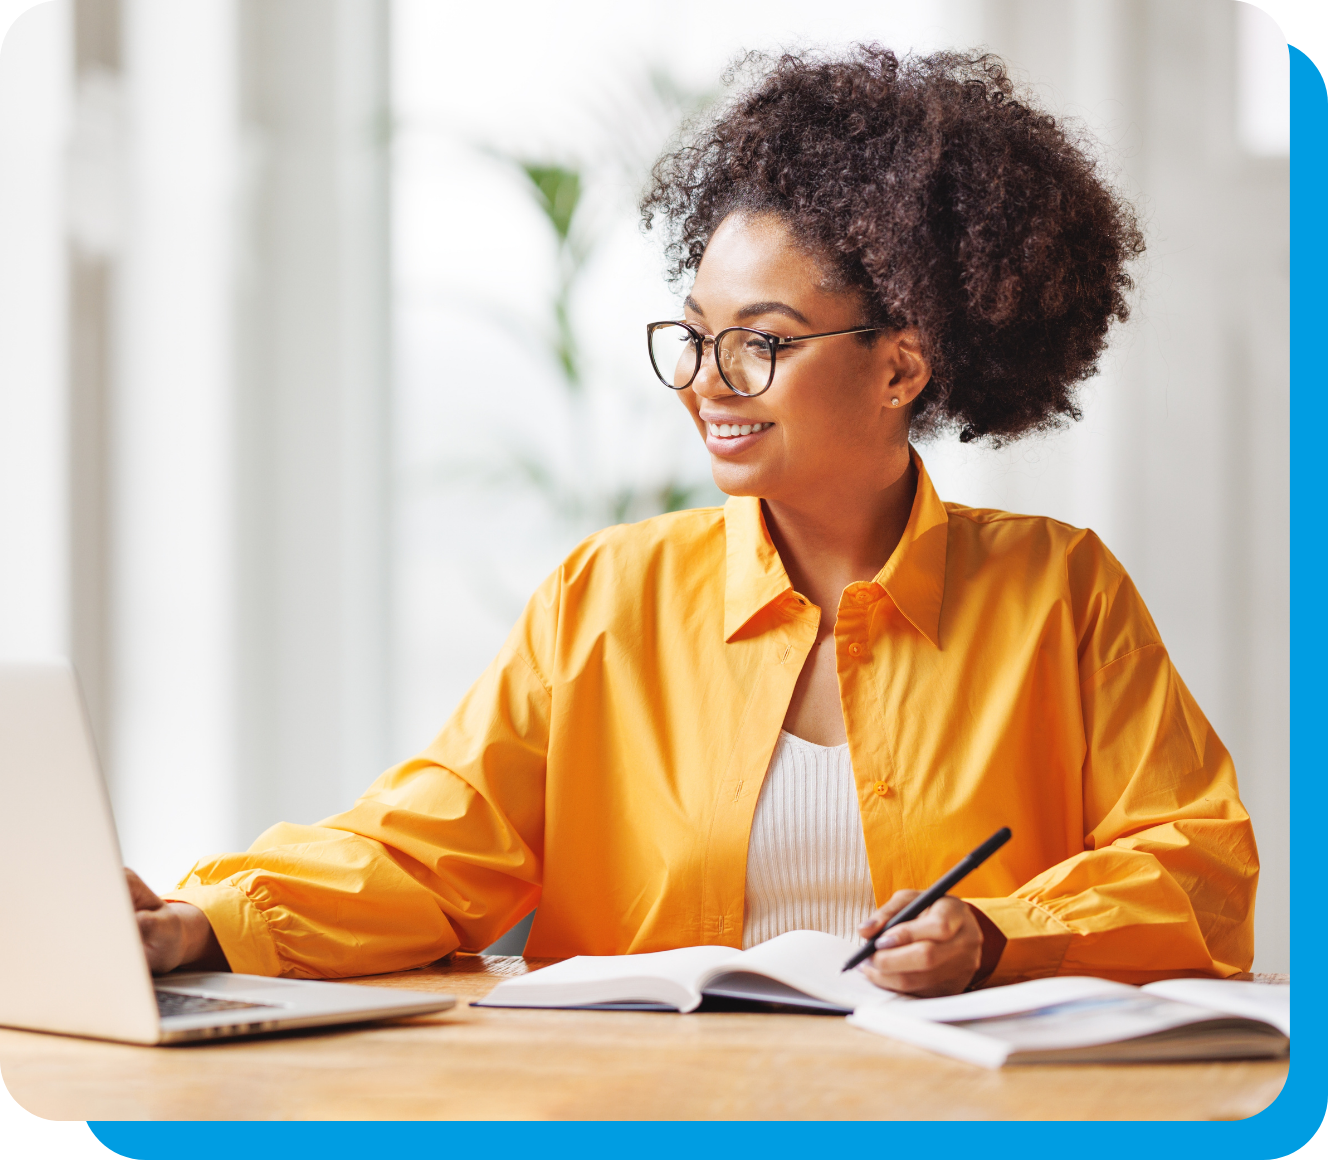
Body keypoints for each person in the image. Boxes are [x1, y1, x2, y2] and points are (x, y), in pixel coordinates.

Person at [129, 47, 1257, 998]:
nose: (707, 381)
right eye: (694, 334)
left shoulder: (1061, 591)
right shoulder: (607, 595)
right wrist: (201, 922)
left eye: (759, 341)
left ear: (900, 366)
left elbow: (1195, 867)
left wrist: (999, 935)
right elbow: (428, 851)